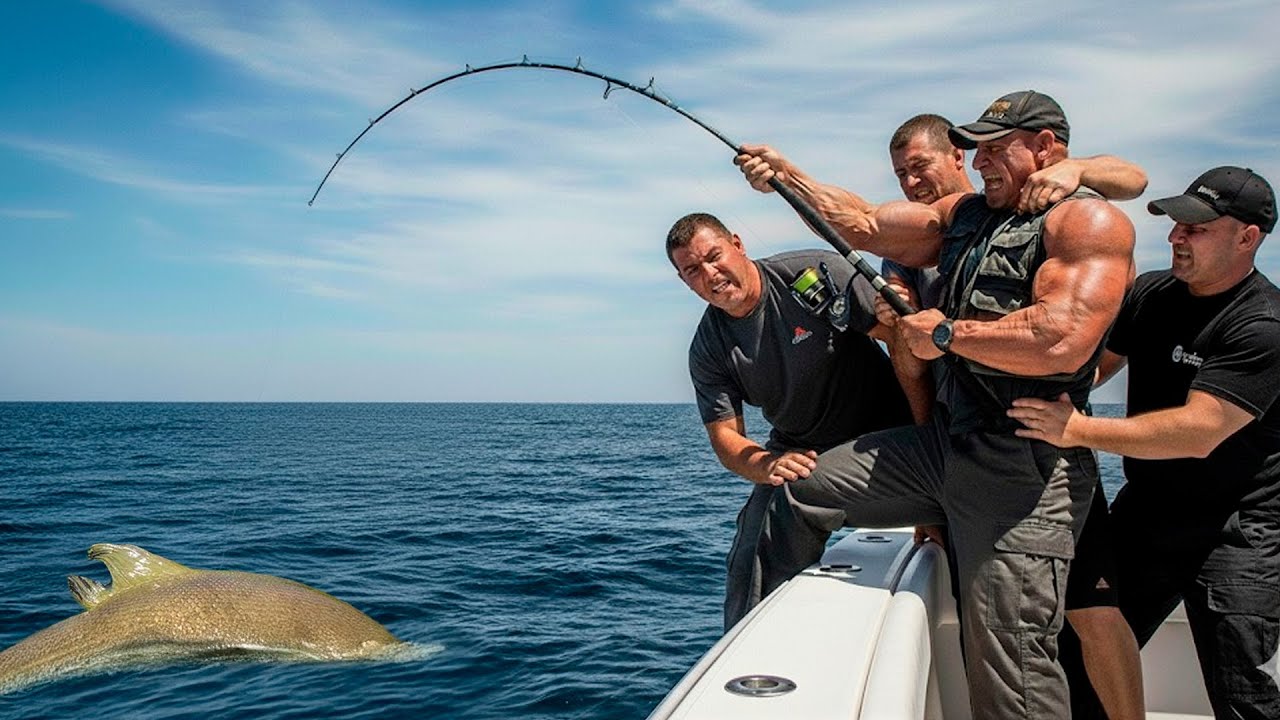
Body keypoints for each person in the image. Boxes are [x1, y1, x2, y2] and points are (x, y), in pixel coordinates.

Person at [732, 90, 1136, 718]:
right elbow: (864, 222)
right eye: (978, 150)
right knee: (800, 490)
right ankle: (762, 643)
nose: (982, 162)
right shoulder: (962, 215)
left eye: (997, 149)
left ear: (1046, 147)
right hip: (944, 446)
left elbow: (1063, 337)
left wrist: (946, 334)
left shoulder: (1086, 220)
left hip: (1021, 463)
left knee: (1009, 664)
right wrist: (787, 177)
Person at [882, 113, 1147, 720]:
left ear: (957, 158)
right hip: (965, 454)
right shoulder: (913, 250)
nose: (911, 183)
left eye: (920, 167)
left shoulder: (1037, 205)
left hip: (1047, 454)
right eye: (900, 174)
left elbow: (1132, 178)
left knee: (1094, 610)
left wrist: (1076, 168)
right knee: (991, 621)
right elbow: (909, 362)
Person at [1007, 166, 1280, 719]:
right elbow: (1093, 369)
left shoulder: (1263, 324)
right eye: (1177, 224)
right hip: (1148, 511)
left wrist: (1075, 429)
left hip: (1236, 529)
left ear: (1247, 237)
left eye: (1196, 228)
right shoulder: (1154, 293)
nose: (1177, 236)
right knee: (1080, 660)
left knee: (1242, 694)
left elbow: (1199, 430)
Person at [666, 211, 914, 631]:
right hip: (801, 450)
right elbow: (726, 439)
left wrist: (927, 431)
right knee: (750, 549)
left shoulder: (812, 272)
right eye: (693, 270)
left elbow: (902, 337)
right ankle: (751, 646)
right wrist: (767, 465)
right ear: (684, 281)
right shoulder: (708, 347)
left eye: (714, 256)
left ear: (738, 245)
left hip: (887, 434)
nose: (710, 274)